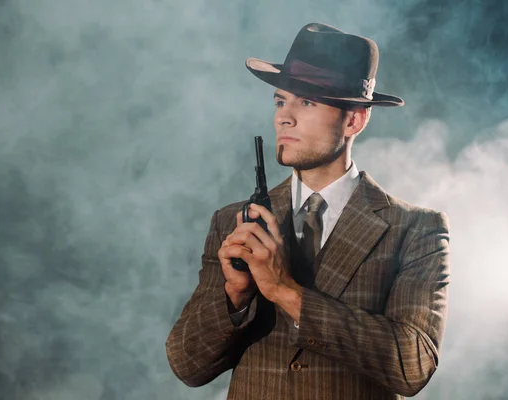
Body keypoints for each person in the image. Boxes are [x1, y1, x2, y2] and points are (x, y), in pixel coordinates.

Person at [165, 22, 450, 400]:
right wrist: (234, 296)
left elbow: (411, 366)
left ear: (354, 120)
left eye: (308, 102)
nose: (284, 117)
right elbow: (188, 366)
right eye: (281, 101)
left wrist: (285, 291)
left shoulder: (415, 228)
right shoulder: (233, 221)